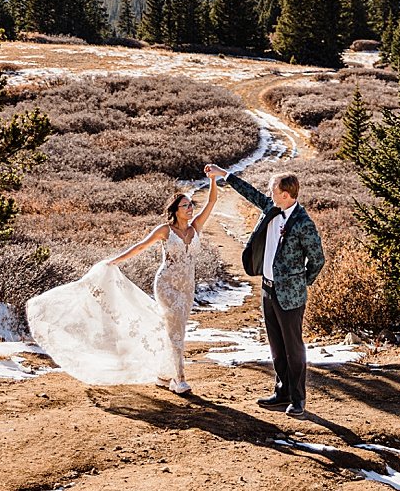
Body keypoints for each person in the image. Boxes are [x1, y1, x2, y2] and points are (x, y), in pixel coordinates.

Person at [24, 174, 219, 393]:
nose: (190, 208)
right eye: (185, 205)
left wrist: (213, 179)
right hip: (167, 285)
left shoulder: (195, 228)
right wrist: (114, 261)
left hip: (187, 288)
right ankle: (179, 379)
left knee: (175, 330)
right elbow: (140, 246)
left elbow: (212, 201)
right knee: (175, 332)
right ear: (175, 210)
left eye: (191, 205)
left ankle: (164, 375)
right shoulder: (165, 230)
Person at [204, 162, 324, 416]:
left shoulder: (304, 223)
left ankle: (298, 399)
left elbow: (317, 259)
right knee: (276, 346)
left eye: (273, 190)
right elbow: (250, 193)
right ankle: (281, 393)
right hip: (268, 290)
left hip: (290, 296)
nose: (269, 193)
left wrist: (301, 283)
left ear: (286, 195)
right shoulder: (271, 208)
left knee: (293, 348)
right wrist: (224, 174)